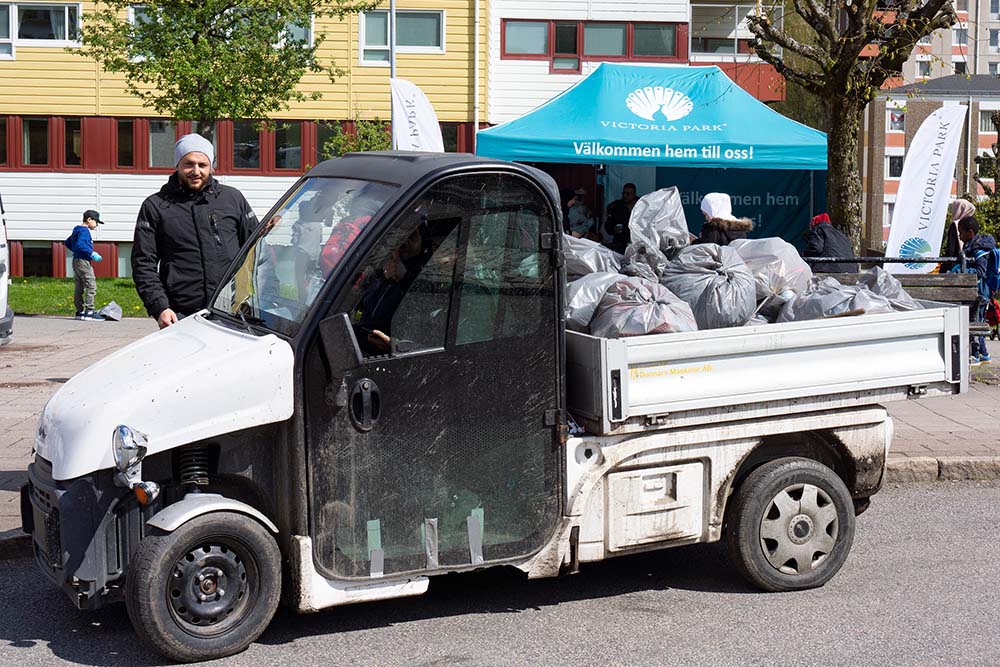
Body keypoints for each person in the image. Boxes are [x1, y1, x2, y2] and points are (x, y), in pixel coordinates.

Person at [132, 134, 259, 328]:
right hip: (181, 313)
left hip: (232, 311)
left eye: (202, 165)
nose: (196, 171)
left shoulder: (232, 198)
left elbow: (256, 248)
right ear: (177, 164)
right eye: (188, 164)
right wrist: (160, 307)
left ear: (211, 166)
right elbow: (143, 263)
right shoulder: (155, 206)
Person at [958, 217, 995, 364]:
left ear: (970, 232)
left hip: (979, 292)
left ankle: (976, 353)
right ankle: (983, 353)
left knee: (976, 320)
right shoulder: (972, 246)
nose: (959, 235)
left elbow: (980, 271)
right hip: (976, 291)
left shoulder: (979, 249)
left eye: (961, 232)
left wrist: (960, 270)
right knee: (976, 320)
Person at [64, 210, 105, 321]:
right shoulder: (84, 231)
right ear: (89, 220)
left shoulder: (77, 230)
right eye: (96, 222)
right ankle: (90, 312)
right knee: (91, 285)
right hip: (83, 261)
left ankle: (80, 312)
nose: (96, 225)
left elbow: (68, 242)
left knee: (79, 286)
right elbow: (81, 245)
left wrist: (77, 251)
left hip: (76, 260)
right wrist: (91, 253)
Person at [942, 199, 975, 272]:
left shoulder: (955, 225)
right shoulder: (971, 223)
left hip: (955, 260)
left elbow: (951, 247)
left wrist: (946, 264)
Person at [604, 183, 638, 253]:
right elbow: (608, 225)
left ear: (634, 194)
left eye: (628, 194)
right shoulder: (616, 207)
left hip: (636, 242)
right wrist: (613, 228)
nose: (625, 196)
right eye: (623, 193)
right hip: (620, 242)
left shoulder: (641, 205)